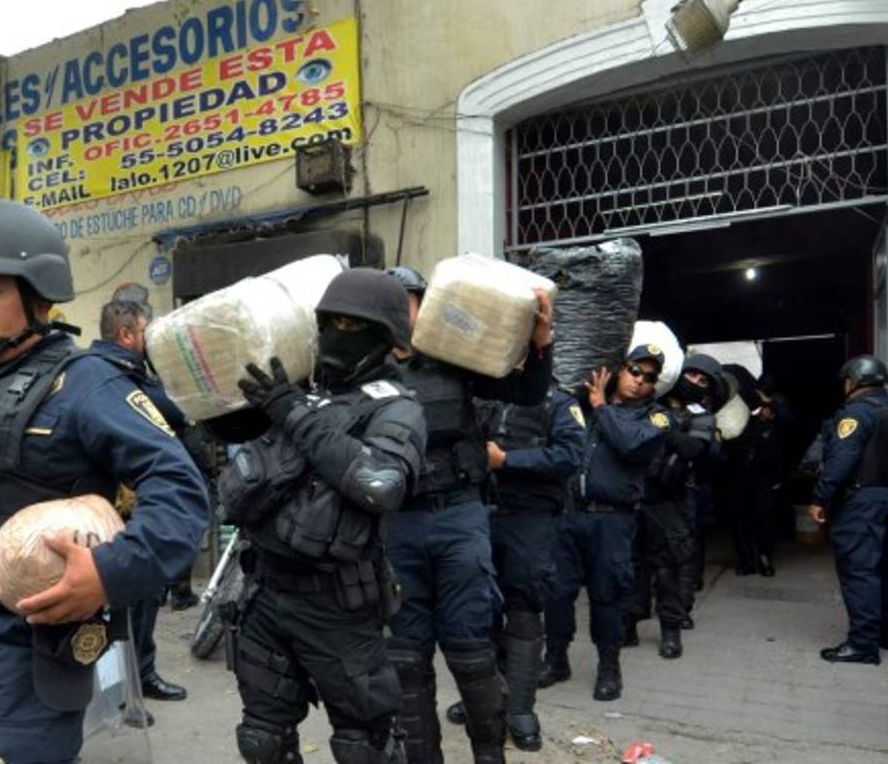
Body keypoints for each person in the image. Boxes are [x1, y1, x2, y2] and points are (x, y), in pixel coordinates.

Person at [0, 199, 209, 762]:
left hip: (20, 650)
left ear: (38, 296)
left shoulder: (85, 384)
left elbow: (181, 490)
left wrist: (111, 573)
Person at [219, 267, 426, 764]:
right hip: (265, 593)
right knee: (261, 740)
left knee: (364, 746)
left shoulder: (397, 408)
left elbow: (379, 485)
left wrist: (292, 411)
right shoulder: (297, 392)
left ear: (386, 338)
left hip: (337, 606)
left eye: (352, 326)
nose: (336, 333)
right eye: (329, 321)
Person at [383, 265, 553, 764]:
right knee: (407, 655)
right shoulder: (364, 373)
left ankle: (488, 754)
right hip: (398, 525)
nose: (400, 312)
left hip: (459, 514)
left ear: (424, 305)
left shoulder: (454, 358)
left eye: (408, 300)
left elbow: (527, 392)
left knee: (469, 644)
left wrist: (541, 342)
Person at [445, 384, 584, 752]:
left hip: (531, 517)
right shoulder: (481, 396)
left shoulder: (558, 402)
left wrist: (507, 461)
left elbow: (571, 455)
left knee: (523, 607)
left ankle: (520, 708)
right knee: (480, 609)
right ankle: (484, 700)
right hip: (479, 513)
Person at [540, 345, 673, 702]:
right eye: (634, 370)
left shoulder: (657, 418)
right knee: (556, 591)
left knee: (607, 595)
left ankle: (608, 668)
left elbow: (631, 446)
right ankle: (555, 659)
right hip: (568, 514)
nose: (639, 381)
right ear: (620, 369)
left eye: (649, 377)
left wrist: (600, 406)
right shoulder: (581, 404)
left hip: (612, 521)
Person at [93, 299, 191, 707]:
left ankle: (140, 678)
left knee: (143, 600)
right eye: (146, 332)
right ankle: (126, 692)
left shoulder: (116, 369)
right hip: (120, 510)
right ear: (127, 335)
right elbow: (172, 411)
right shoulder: (119, 374)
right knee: (129, 605)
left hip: (125, 508)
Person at [623, 353, 723, 660]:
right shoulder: (645, 402)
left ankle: (671, 630)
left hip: (669, 499)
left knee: (668, 568)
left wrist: (665, 427)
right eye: (691, 374)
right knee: (628, 566)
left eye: (702, 381)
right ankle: (628, 625)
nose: (694, 382)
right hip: (632, 495)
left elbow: (694, 447)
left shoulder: (700, 416)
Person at [809, 355, 888, 665]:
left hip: (862, 502)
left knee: (860, 570)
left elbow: (840, 462)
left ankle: (862, 644)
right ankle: (887, 633)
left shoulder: (856, 414)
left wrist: (820, 499)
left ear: (852, 382)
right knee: (887, 567)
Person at [720, 365, 790, 577]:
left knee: (764, 518)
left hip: (763, 474)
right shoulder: (736, 405)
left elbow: (787, 421)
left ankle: (764, 558)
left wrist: (770, 406)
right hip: (737, 471)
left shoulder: (776, 406)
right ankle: (746, 560)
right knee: (739, 518)